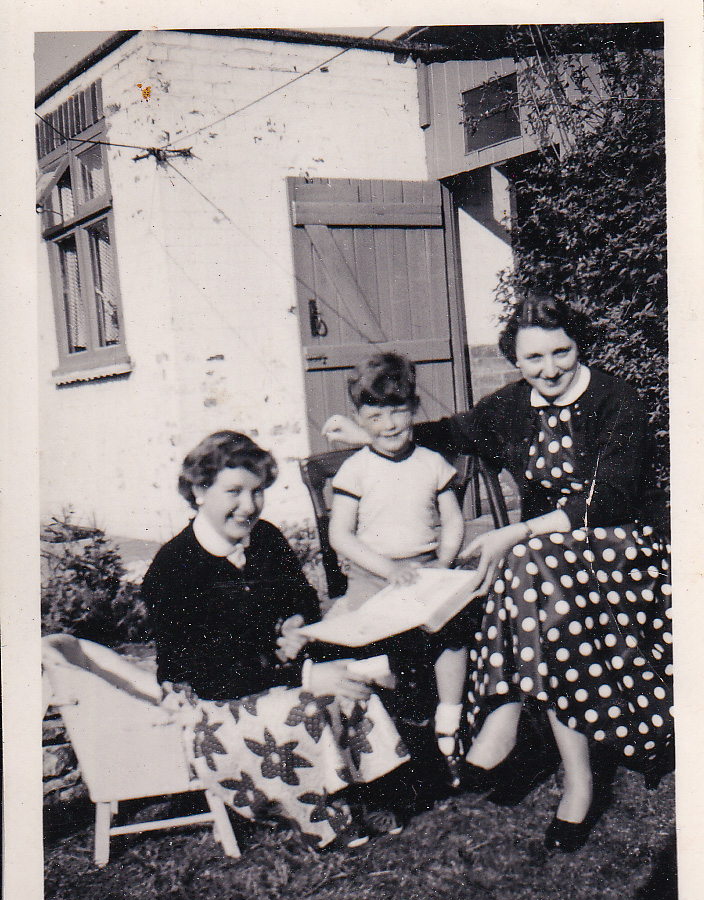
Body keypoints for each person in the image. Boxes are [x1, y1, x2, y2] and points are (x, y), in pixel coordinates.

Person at [323, 293, 673, 851]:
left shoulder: (614, 399)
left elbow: (611, 498)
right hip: (547, 564)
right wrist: (372, 436)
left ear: (579, 347)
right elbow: (443, 434)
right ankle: (540, 743)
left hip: (625, 546)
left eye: (561, 352)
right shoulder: (511, 406)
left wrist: (514, 531)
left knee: (523, 561)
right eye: (534, 358)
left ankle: (513, 719)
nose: (550, 368)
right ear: (515, 359)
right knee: (530, 569)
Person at [142, 431, 409, 850]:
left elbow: (301, 597)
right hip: (211, 700)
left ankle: (362, 792)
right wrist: (305, 673)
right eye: (234, 492)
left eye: (257, 492)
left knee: (351, 678)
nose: (248, 506)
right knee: (302, 706)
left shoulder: (265, 538)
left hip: (268, 672)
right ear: (199, 491)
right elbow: (212, 672)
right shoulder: (173, 568)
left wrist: (296, 622)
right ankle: (325, 817)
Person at [327, 352, 471, 789]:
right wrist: (387, 569)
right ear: (359, 417)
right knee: (380, 649)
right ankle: (399, 733)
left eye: (399, 412)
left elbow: (452, 520)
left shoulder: (430, 463)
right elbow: (341, 535)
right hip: (375, 577)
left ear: (414, 409)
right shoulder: (356, 470)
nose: (389, 425)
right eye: (375, 416)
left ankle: (449, 718)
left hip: (427, 568)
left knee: (452, 628)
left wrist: (443, 564)